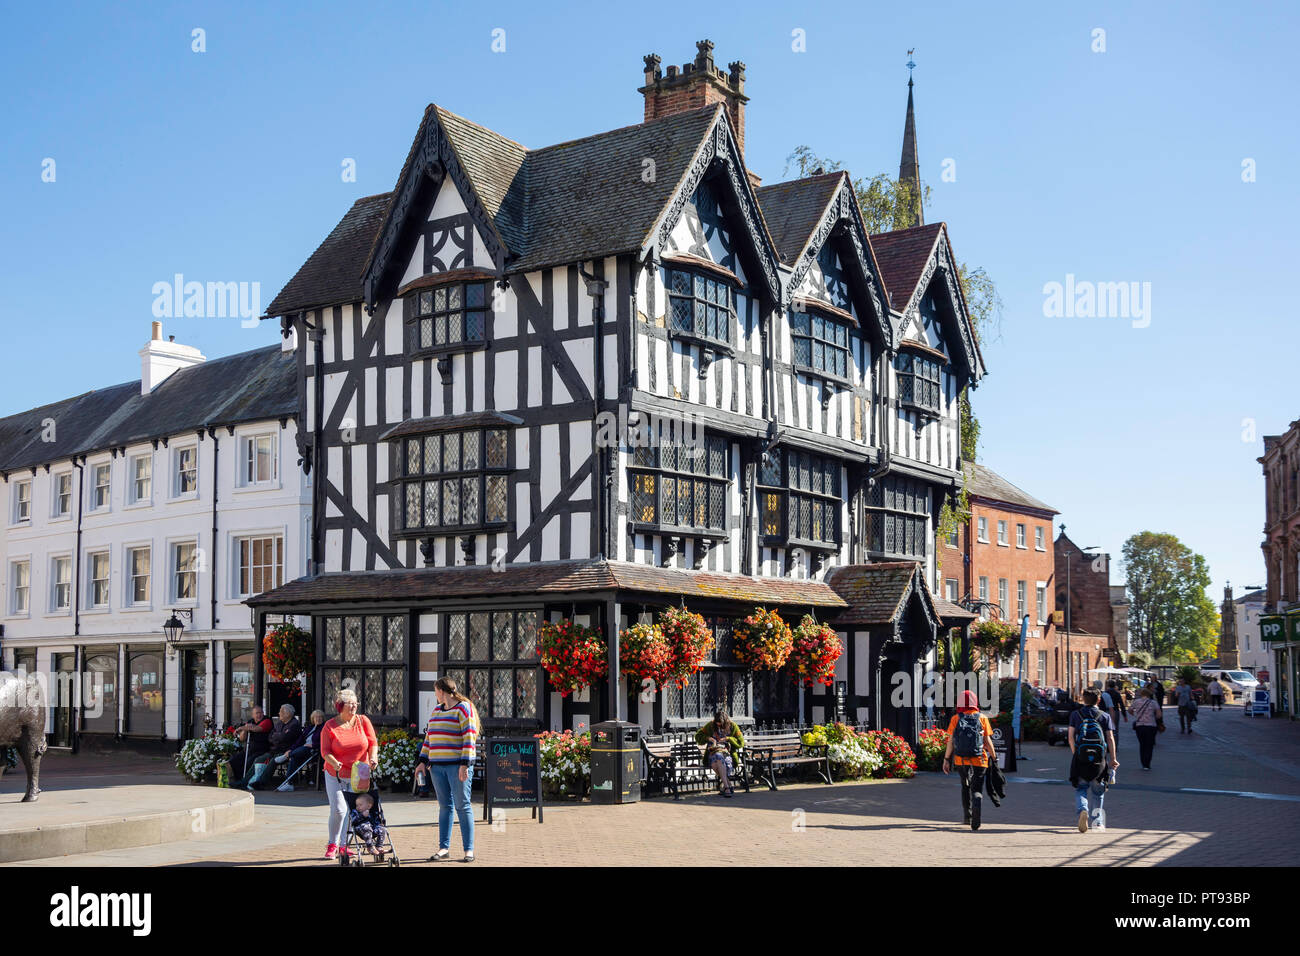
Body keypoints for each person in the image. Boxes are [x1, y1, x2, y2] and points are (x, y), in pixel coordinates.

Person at [417, 676, 480, 863]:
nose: (435, 694)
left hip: (456, 766)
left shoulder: (463, 708)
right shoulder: (436, 710)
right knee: (445, 807)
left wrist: (464, 764)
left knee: (463, 805)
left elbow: (469, 738)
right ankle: (443, 848)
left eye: (436, 691)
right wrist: (422, 761)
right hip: (436, 767)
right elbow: (429, 738)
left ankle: (468, 850)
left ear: (442, 691)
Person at [320, 688, 378, 860]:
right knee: (339, 809)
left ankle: (344, 845)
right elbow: (325, 751)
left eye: (355, 704)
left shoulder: (363, 720)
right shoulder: (329, 726)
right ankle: (332, 844)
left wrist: (373, 757)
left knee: (353, 809)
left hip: (359, 774)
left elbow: (372, 742)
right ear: (340, 706)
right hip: (335, 773)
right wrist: (333, 762)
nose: (353, 707)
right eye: (349, 704)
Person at [942, 689, 997, 830]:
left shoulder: (956, 718)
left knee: (965, 786)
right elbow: (987, 740)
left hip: (961, 760)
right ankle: (977, 797)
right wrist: (994, 758)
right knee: (977, 787)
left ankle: (967, 816)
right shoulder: (982, 718)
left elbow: (951, 742)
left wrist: (946, 759)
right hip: (980, 759)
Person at [1069, 690, 1119, 832]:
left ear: (1083, 699)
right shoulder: (1105, 716)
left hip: (1081, 759)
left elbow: (1070, 736)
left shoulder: (1076, 714)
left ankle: (1082, 809)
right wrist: (1113, 759)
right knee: (1098, 792)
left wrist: (1076, 754)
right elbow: (1110, 738)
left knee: (1081, 788)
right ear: (1098, 700)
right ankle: (1097, 823)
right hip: (1099, 761)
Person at [235, 704, 301, 790]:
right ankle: (244, 781)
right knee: (258, 759)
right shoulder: (280, 723)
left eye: (281, 712)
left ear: (287, 714)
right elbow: (270, 736)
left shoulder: (294, 724)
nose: (279, 713)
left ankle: (261, 783)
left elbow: (284, 737)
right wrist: (279, 736)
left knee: (273, 761)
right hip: (274, 749)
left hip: (285, 751)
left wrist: (278, 736)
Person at [695, 710, 745, 798]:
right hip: (713, 752)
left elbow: (741, 742)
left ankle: (726, 786)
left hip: (727, 753)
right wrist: (709, 738)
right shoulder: (710, 725)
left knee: (715, 764)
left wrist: (728, 739)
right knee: (717, 756)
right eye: (717, 723)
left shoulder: (733, 726)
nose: (718, 725)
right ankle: (727, 786)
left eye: (720, 724)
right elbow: (698, 736)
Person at [275, 709, 325, 791]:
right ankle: (289, 784)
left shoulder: (324, 728)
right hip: (304, 749)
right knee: (294, 758)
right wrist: (290, 749)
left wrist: (313, 745)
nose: (318, 719)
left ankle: (286, 757)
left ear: (323, 718)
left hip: (315, 750)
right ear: (313, 719)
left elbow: (325, 742)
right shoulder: (310, 728)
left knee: (301, 750)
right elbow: (300, 740)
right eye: (316, 717)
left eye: (320, 717)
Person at [223, 706, 272, 781]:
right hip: (248, 749)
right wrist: (245, 730)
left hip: (261, 750)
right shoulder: (250, 722)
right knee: (234, 760)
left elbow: (257, 728)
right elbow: (242, 739)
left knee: (249, 762)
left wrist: (241, 728)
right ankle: (237, 779)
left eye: (261, 712)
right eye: (257, 713)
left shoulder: (267, 720)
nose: (260, 715)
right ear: (253, 715)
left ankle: (245, 781)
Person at [1130, 687, 1162, 771]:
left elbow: (1129, 709)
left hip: (1139, 726)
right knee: (1149, 745)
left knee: (1142, 744)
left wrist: (1135, 715)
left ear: (1141, 694)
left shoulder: (1136, 702)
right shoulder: (1153, 703)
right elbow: (1159, 715)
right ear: (1149, 695)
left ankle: (1143, 763)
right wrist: (1153, 717)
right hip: (1151, 726)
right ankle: (1147, 764)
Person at [1100, 680, 1127, 751]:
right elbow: (1121, 704)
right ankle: (1115, 747)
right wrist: (1124, 715)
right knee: (1115, 730)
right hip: (1115, 711)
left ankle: (1106, 745)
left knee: (1106, 729)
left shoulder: (1105, 693)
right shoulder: (1117, 693)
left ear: (1108, 685)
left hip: (1105, 711)